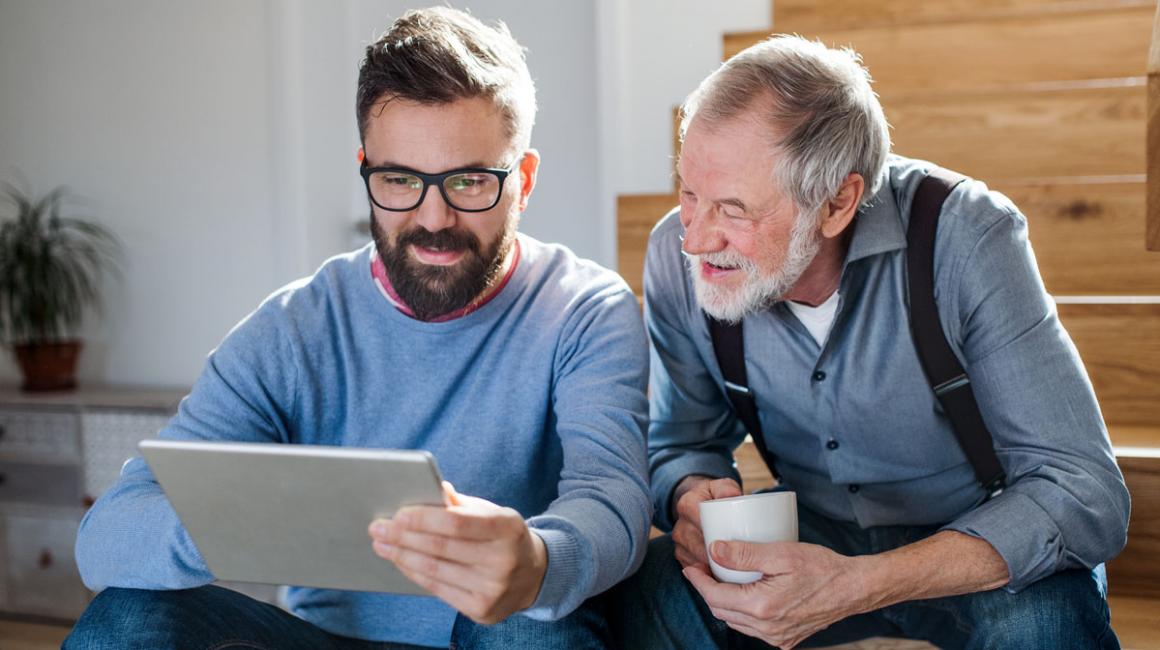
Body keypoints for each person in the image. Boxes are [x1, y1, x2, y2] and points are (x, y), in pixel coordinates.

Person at [65, 7, 650, 649]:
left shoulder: (584, 309)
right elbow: (107, 538)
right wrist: (248, 518)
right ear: (366, 171)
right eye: (399, 179)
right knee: (126, 617)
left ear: (525, 181)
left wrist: (538, 562)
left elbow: (612, 496)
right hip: (321, 640)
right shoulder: (292, 331)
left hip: (495, 635)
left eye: (469, 181)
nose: (433, 218)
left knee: (534, 623)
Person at [609, 35, 1129, 649]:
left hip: (972, 533)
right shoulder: (680, 255)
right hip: (811, 524)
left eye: (733, 209)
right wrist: (689, 495)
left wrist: (859, 583)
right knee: (652, 596)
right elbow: (681, 440)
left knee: (1047, 625)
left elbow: (1083, 491)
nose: (696, 238)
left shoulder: (966, 236)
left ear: (837, 203)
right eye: (689, 194)